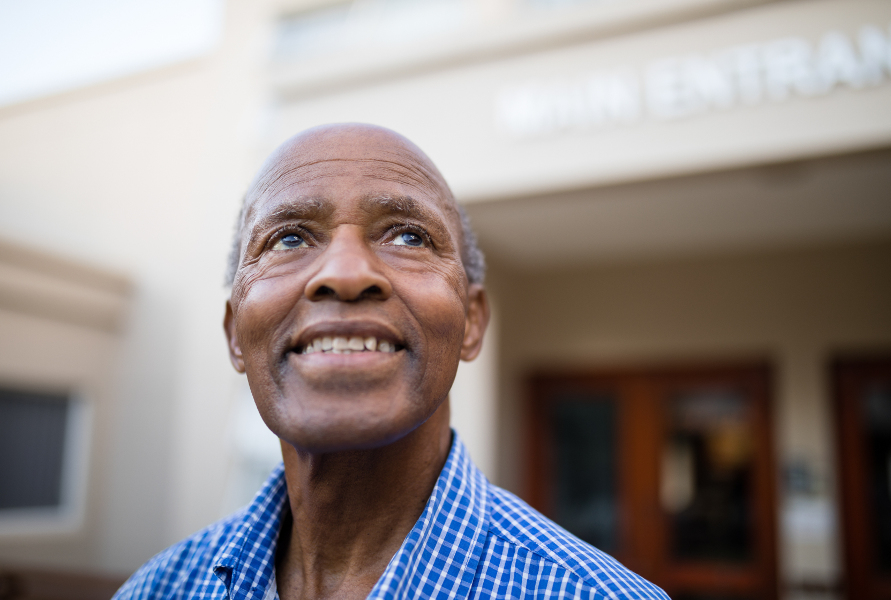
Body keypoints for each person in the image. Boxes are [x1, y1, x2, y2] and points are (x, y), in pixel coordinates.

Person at [114, 123, 669, 600]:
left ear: (471, 322)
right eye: (288, 240)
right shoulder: (157, 589)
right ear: (236, 334)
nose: (347, 273)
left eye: (408, 235)